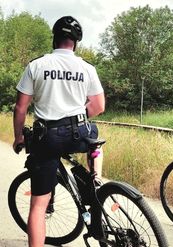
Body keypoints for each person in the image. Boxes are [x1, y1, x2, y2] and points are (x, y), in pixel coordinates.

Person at [12, 16, 105, 247]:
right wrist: (76, 119)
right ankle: (97, 180)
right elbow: (99, 106)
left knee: (38, 206)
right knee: (94, 139)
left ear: (54, 39)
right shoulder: (87, 68)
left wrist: (18, 138)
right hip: (80, 131)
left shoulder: (37, 65)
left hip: (48, 138)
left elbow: (20, 107)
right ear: (75, 42)